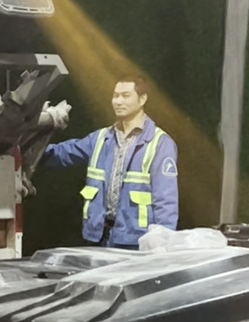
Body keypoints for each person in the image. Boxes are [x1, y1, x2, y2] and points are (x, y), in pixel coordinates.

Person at [43, 75, 181, 248]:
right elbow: (61, 154)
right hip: (99, 237)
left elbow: (166, 201)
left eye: (125, 95)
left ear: (142, 99)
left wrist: (162, 244)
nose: (118, 101)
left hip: (136, 241)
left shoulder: (159, 143)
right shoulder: (101, 138)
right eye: (115, 95)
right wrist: (33, 136)